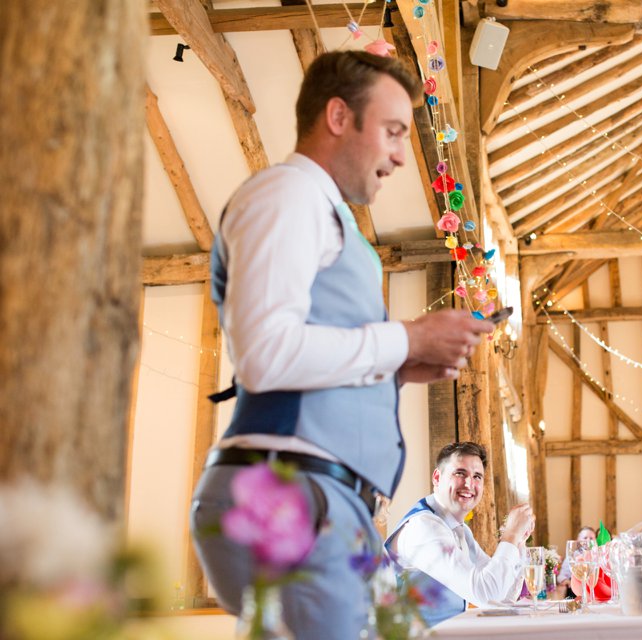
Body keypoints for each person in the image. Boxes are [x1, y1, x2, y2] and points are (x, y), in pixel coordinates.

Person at [189, 51, 494, 639]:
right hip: (286, 491)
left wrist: (399, 366)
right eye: (393, 131)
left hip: (327, 501)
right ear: (337, 116)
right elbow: (265, 352)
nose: (403, 155)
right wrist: (403, 337)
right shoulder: (285, 194)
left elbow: (314, 353)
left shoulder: (332, 220)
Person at [385, 442, 535, 627]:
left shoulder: (459, 530)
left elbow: (502, 597)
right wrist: (510, 535)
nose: (469, 484)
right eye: (460, 473)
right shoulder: (424, 528)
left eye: (477, 476)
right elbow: (487, 595)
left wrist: (518, 542)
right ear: (437, 477)